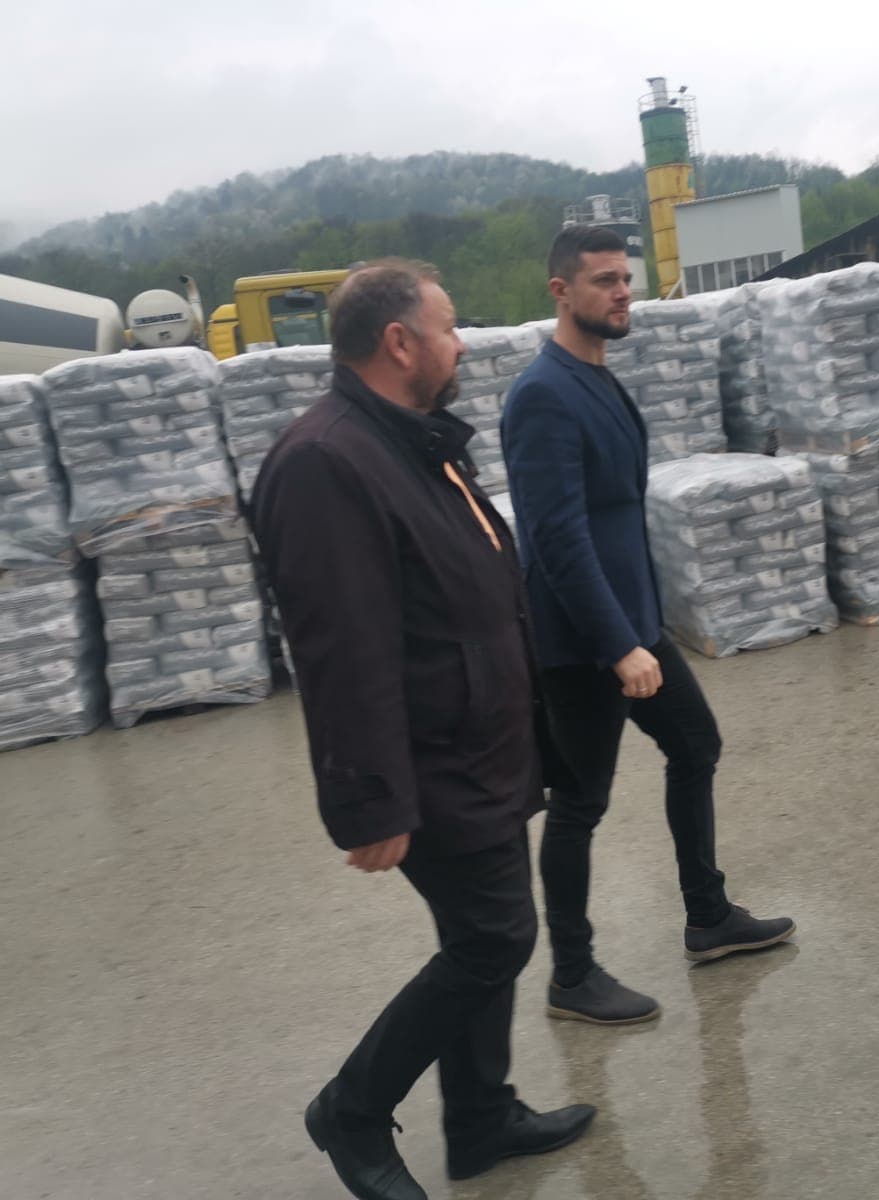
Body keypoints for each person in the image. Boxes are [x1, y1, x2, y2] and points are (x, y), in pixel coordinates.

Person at [251, 259, 594, 1200]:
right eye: (447, 328)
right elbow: (341, 650)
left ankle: (482, 1119)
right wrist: (371, 801)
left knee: (484, 934)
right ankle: (352, 1111)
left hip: (482, 743)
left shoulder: (412, 438)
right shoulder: (326, 462)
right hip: (431, 760)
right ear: (398, 342)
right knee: (493, 940)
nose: (461, 344)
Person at [501, 226, 795, 1027]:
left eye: (625, 278)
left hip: (632, 625)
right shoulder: (542, 395)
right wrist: (617, 645)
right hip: (582, 642)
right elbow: (556, 539)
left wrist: (643, 627)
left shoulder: (598, 378)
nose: (622, 292)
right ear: (561, 292)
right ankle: (571, 975)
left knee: (696, 745)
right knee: (580, 802)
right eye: (604, 280)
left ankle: (708, 916)